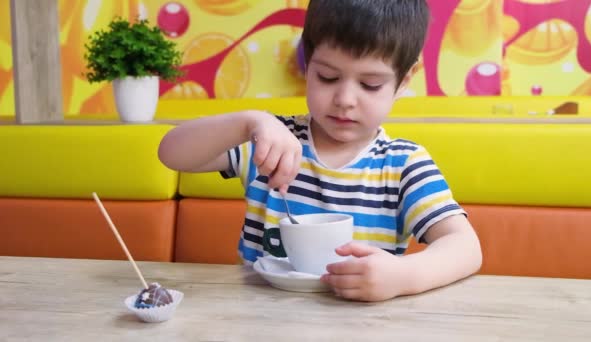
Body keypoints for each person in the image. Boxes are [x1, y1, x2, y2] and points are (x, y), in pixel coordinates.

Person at [158, 0, 482, 302]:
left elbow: (466, 248)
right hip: (256, 319)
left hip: (360, 326)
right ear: (307, 63)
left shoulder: (402, 165)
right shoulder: (271, 141)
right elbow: (171, 153)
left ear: (404, 80)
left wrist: (403, 276)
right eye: (327, 77)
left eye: (370, 85)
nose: (345, 99)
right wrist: (248, 122)